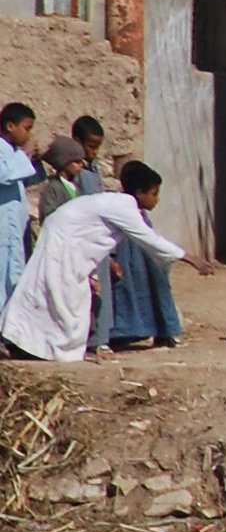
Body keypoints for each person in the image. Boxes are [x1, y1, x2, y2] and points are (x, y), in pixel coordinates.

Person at [0, 161, 213, 362]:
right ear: (140, 193)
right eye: (154, 193)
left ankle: (33, 345)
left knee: (60, 295)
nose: (157, 199)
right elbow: (149, 240)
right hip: (63, 242)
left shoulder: (119, 204)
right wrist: (190, 258)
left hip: (69, 242)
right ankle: (32, 345)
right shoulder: (125, 207)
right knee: (61, 295)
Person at [67, 116, 126, 354]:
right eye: (90, 146)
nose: (94, 152)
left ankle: (101, 338)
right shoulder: (75, 172)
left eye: (97, 147)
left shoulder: (93, 171)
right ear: (77, 141)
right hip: (83, 242)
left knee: (102, 292)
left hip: (99, 242)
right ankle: (87, 339)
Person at [0, 102, 43, 315]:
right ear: (10, 126)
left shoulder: (11, 152)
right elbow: (3, 174)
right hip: (2, 232)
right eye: (26, 128)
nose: (29, 134)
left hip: (13, 233)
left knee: (13, 280)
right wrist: (23, 155)